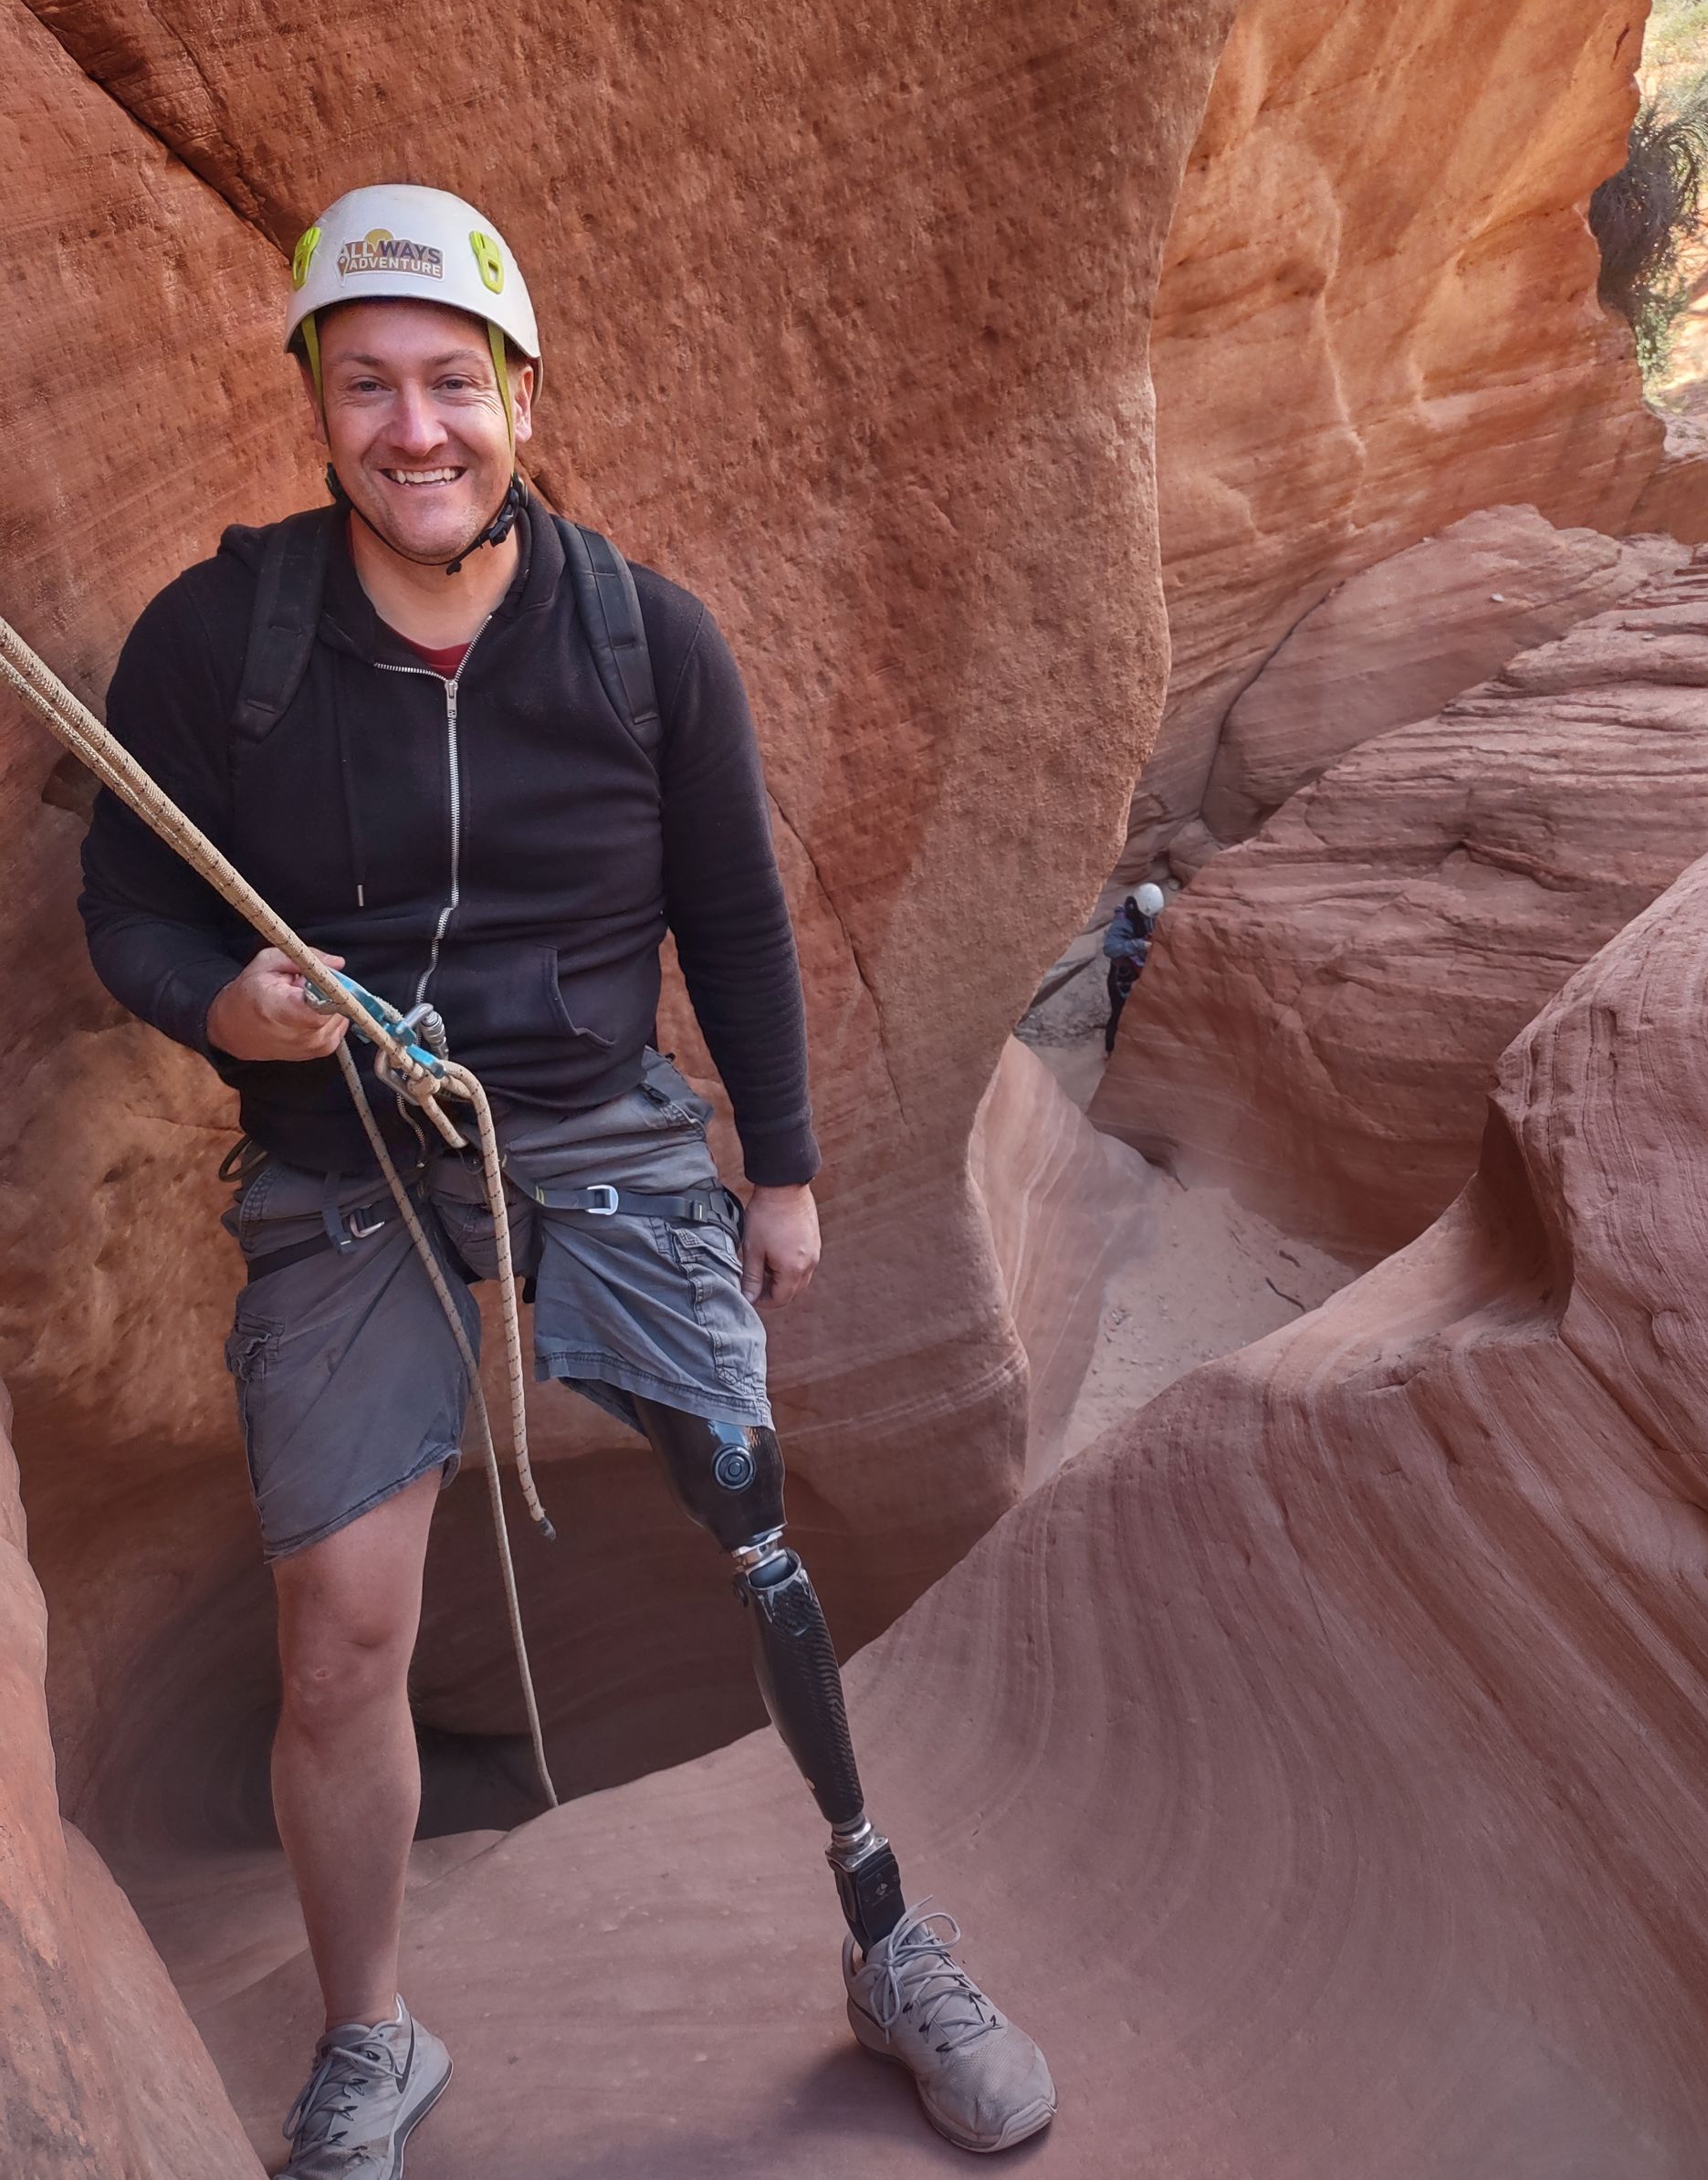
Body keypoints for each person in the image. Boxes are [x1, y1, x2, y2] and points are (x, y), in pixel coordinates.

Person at [79, 184, 1053, 2173]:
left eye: (453, 382)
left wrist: (778, 1174)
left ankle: (884, 1935)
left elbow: (737, 917)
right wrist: (232, 1012)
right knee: (341, 1623)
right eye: (368, 386)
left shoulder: (638, 636)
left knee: (753, 1520)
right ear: (315, 403)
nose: (413, 429)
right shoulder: (224, 641)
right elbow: (125, 904)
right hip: (345, 1142)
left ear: (522, 395)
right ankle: (373, 2034)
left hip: (597, 1124)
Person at [1101, 882, 1164, 1054]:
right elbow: (1110, 948)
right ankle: (1110, 1050)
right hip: (1120, 977)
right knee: (1118, 1014)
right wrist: (1138, 944)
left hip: (1136, 970)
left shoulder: (1145, 915)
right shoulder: (1123, 922)